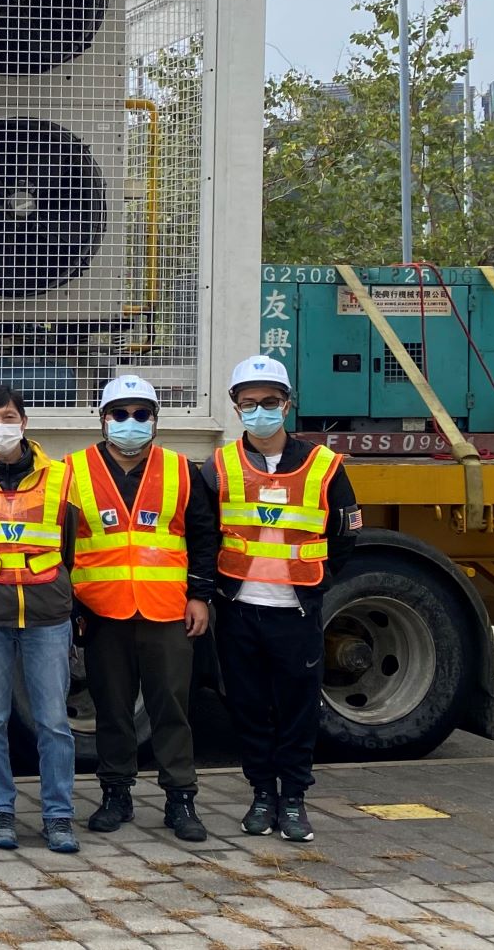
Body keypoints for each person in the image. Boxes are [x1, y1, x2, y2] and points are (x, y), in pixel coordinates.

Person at [202, 355, 358, 844]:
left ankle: (293, 800)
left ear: (287, 405)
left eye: (269, 401)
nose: (259, 411)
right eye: (249, 403)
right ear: (236, 408)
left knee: (297, 709)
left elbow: (346, 532)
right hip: (238, 608)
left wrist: (320, 580)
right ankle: (261, 795)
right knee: (248, 708)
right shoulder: (220, 466)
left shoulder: (324, 466)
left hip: (295, 611)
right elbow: (204, 535)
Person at [68, 374, 219, 843]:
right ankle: (116, 794)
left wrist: (200, 596)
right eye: (120, 414)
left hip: (167, 611)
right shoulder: (72, 471)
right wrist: (71, 606)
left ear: (155, 420)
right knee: (112, 709)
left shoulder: (181, 470)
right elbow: (61, 543)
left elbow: (204, 537)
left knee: (171, 707)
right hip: (101, 612)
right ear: (102, 419)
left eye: (140, 414)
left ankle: (180, 800)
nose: (129, 422)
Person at [0, 384, 78, 855]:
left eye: (9, 417)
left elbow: (71, 545)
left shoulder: (61, 477)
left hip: (47, 615)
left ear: (24, 423)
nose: (1, 426)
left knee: (53, 722)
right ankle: (0, 811)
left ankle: (58, 815)